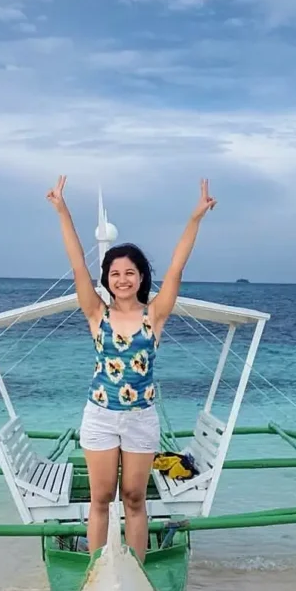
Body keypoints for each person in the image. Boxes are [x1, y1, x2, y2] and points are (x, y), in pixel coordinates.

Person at [46, 175, 216, 560]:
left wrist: (195, 219)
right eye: (115, 273)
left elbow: (176, 268)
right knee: (102, 497)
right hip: (101, 417)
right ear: (107, 279)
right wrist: (62, 210)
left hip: (141, 419)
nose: (122, 279)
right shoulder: (96, 314)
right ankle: (97, 567)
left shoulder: (154, 316)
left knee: (135, 497)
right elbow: (76, 265)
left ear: (140, 278)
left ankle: (136, 569)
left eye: (130, 273)